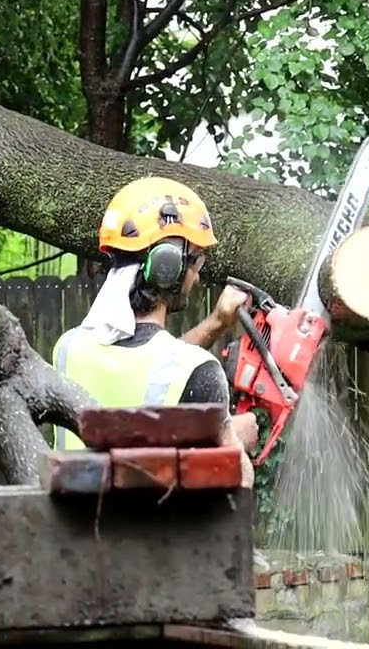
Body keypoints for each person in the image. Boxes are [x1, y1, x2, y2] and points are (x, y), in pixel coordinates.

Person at [51, 176, 259, 463]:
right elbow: (233, 484)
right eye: (196, 261)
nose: (197, 276)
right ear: (168, 266)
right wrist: (233, 439)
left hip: (74, 493)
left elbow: (151, 367)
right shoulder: (200, 371)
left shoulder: (68, 348)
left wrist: (217, 321)